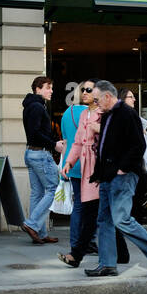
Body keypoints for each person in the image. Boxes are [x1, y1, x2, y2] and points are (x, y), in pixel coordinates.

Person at [84, 81, 147, 278]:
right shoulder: (109, 115)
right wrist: (99, 174)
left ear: (107, 97)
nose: (95, 104)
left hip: (123, 176)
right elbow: (105, 147)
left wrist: (122, 169)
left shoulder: (127, 114)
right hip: (107, 177)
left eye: (97, 100)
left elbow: (138, 146)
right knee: (104, 221)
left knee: (121, 219)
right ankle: (107, 264)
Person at [57, 80, 128, 268]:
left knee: (95, 213)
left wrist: (100, 128)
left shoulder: (104, 112)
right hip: (87, 168)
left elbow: (116, 136)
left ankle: (77, 255)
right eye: (83, 90)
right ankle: (121, 254)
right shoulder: (83, 115)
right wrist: (69, 162)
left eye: (89, 90)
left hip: (100, 168)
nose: (86, 93)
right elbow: (78, 142)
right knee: (100, 212)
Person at [21, 76, 65, 244]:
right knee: (53, 188)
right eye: (48, 87)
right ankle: (32, 224)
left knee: (38, 193)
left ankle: (40, 233)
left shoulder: (31, 105)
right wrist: (54, 144)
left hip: (31, 153)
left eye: (51, 87)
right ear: (38, 89)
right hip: (40, 154)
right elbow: (35, 133)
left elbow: (35, 133)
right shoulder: (37, 107)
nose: (51, 91)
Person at [60, 81, 93, 250]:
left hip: (71, 164)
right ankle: (88, 242)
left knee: (78, 206)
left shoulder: (66, 113)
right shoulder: (89, 112)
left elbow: (66, 142)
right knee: (92, 205)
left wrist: (64, 165)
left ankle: (75, 243)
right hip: (88, 163)